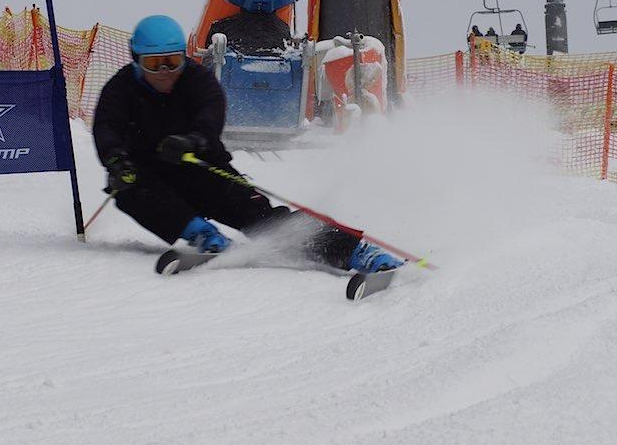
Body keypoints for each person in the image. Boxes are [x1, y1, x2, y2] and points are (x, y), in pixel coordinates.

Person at [92, 14, 404, 273]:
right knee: (128, 191)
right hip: (151, 178)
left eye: (172, 61)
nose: (164, 72)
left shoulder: (197, 80)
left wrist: (193, 140)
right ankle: (202, 235)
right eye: (153, 63)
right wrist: (117, 161)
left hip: (204, 170)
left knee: (265, 220)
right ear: (136, 61)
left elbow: (210, 115)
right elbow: (107, 127)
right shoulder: (120, 90)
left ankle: (355, 252)